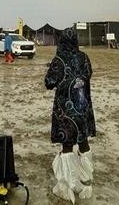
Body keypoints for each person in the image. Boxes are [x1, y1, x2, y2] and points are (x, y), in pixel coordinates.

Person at [44, 27, 96, 202]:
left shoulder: (58, 60)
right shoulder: (84, 57)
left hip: (65, 112)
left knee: (67, 145)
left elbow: (49, 82)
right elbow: (88, 74)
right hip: (83, 108)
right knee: (83, 142)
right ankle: (86, 179)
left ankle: (68, 185)